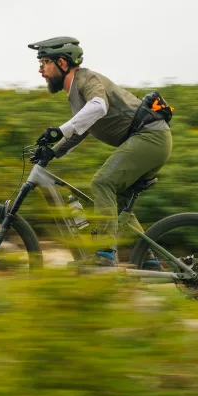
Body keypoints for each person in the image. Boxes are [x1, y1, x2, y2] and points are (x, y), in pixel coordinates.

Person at [28, 36, 173, 267]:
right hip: (150, 140)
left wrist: (59, 130)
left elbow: (98, 106)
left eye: (44, 62)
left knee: (102, 183)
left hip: (150, 137)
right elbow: (81, 129)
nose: (40, 70)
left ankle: (105, 255)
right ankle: (148, 260)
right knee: (120, 206)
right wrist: (53, 152)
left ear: (63, 63)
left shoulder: (86, 79)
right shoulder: (74, 92)